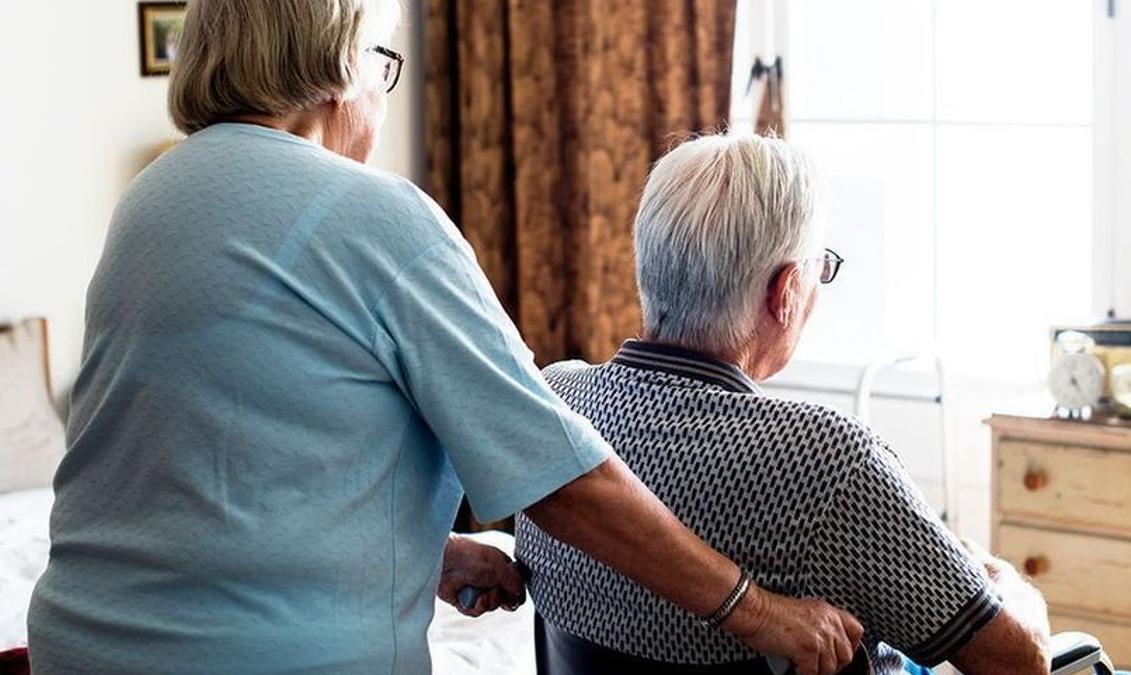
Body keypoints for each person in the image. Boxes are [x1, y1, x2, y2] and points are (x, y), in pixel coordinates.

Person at [25, 3, 864, 675]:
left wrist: (420, 547)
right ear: (340, 68)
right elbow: (565, 478)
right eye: (385, 65)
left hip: (82, 640)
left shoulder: (153, 199)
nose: (383, 103)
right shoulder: (373, 216)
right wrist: (762, 612)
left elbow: (213, 473)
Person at [516, 134, 1053, 674]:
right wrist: (994, 574)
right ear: (786, 291)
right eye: (820, 271)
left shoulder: (554, 405)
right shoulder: (826, 461)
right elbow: (1020, 662)